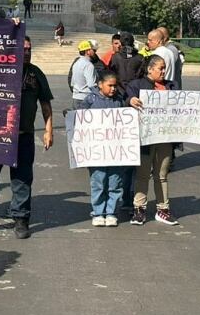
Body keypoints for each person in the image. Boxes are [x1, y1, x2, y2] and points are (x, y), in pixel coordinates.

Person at [0, 35, 53, 239]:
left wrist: (49, 130)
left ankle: (21, 218)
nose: (27, 52)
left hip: (23, 137)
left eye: (29, 49)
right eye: (23, 49)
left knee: (22, 179)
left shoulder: (36, 73)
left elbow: (45, 105)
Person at [126, 55, 179, 226]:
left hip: (165, 138)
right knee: (142, 175)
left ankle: (163, 210)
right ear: (150, 69)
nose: (163, 71)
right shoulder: (136, 85)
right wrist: (130, 100)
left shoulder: (172, 86)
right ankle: (139, 210)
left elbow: (184, 105)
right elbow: (124, 100)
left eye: (164, 68)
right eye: (160, 68)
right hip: (144, 139)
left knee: (161, 175)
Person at [79, 70, 129, 226]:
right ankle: (98, 212)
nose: (113, 89)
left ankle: (112, 212)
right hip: (96, 152)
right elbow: (80, 118)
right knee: (98, 182)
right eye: (110, 85)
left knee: (115, 182)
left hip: (115, 151)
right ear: (100, 84)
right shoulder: (90, 100)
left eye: (115, 86)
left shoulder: (119, 100)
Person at [69, 39, 99, 110]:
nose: (95, 52)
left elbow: (72, 83)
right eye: (93, 50)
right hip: (86, 98)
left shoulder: (76, 63)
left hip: (76, 97)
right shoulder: (88, 65)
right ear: (88, 51)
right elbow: (91, 85)